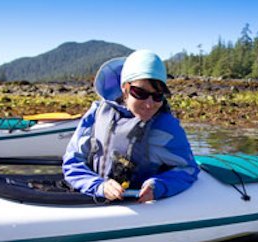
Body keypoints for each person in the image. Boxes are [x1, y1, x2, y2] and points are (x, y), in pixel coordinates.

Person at [63, 49, 199, 203]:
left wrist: (157, 186)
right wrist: (99, 186)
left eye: (157, 96)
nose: (149, 104)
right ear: (125, 88)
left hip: (136, 205)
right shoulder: (97, 113)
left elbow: (188, 169)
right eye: (140, 93)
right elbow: (72, 163)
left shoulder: (166, 126)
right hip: (90, 195)